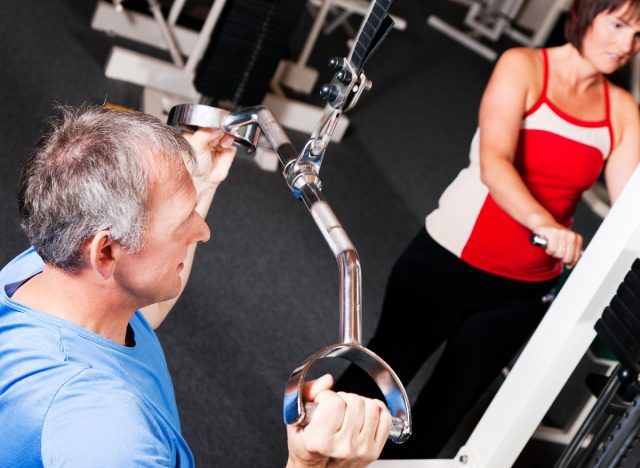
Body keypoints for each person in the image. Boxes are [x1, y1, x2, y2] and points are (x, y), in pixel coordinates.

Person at [0, 105, 391, 467]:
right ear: (105, 252)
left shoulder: (45, 269)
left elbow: (143, 315)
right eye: (183, 219)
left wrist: (199, 183)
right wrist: (307, 464)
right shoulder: (109, 435)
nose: (203, 231)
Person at [338, 0, 640, 459]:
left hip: (523, 290)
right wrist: (543, 222)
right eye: (618, 25)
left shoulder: (622, 111)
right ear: (585, 16)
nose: (626, 44)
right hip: (450, 259)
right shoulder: (523, 67)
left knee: (441, 414)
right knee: (375, 381)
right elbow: (493, 161)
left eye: (638, 35)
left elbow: (628, 211)